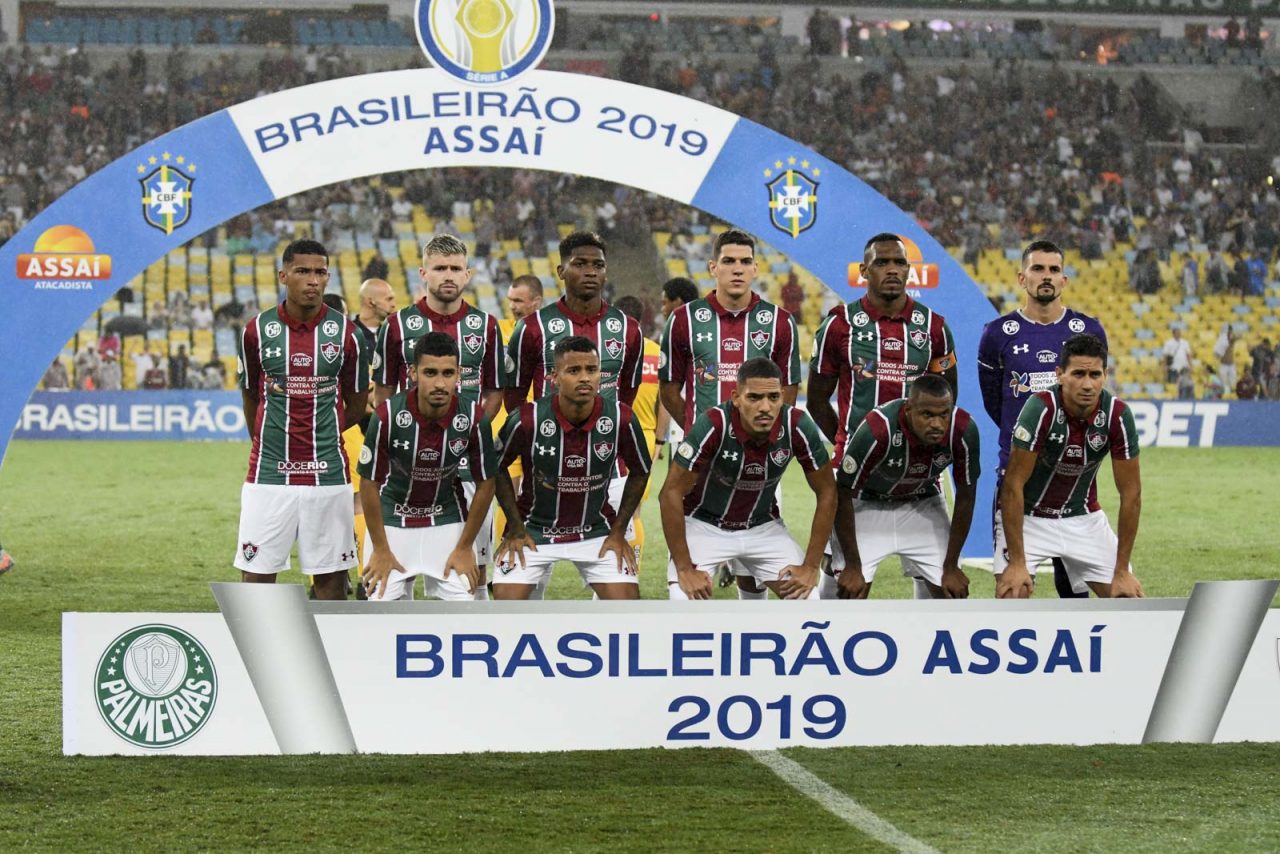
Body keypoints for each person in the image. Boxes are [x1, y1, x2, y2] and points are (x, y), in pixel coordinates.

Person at [659, 228, 801, 599]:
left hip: (759, 456)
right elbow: (669, 388)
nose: (737, 269)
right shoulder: (683, 320)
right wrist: (698, 433)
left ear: (755, 269)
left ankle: (753, 618)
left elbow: (788, 389)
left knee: (754, 568)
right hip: (701, 461)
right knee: (692, 554)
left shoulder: (779, 322)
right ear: (713, 267)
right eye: (728, 261)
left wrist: (765, 433)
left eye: (744, 262)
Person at [233, 239, 369, 599]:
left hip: (328, 473)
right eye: (303, 271)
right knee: (257, 576)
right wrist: (267, 440)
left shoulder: (347, 334)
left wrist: (322, 431)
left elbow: (357, 404)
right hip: (268, 473)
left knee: (331, 580)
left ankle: (332, 638)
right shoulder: (256, 330)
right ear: (283, 275)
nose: (313, 280)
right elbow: (250, 396)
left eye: (320, 272)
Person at [374, 235, 505, 598]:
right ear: (423, 273)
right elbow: (383, 392)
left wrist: (467, 436)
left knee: (472, 566)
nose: (448, 275)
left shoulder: (486, 326)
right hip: (406, 466)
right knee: (398, 569)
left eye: (455, 268)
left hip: (467, 466)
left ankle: (471, 625)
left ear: (468, 274)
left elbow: (495, 392)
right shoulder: (397, 325)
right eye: (440, 268)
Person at [977, 239, 1108, 599]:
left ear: (1064, 279)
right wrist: (1027, 436)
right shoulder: (997, 334)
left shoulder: (1089, 330)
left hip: (1073, 480)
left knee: (1076, 588)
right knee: (1013, 589)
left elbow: (1093, 395)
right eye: (1038, 268)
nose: (1046, 276)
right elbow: (995, 402)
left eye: (1054, 269)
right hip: (1019, 480)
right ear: (1022, 278)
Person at [660, 358, 835, 600]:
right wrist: (684, 568)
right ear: (736, 398)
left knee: (808, 599)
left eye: (773, 397)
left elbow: (827, 491)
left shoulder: (796, 425)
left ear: (783, 397)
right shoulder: (714, 423)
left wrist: (811, 566)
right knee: (682, 597)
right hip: (704, 525)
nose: (765, 407)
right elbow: (670, 492)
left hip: (762, 526)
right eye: (754, 397)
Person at [492, 336, 651, 600]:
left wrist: (618, 530)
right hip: (533, 530)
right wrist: (516, 527)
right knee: (505, 608)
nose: (585, 378)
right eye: (574, 370)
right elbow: (495, 467)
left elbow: (641, 471)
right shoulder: (527, 418)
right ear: (554, 377)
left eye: (592, 369)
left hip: (596, 530)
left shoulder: (621, 418)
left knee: (627, 608)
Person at [995, 334, 1144, 600]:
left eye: (1095, 375)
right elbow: (1013, 485)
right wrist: (1017, 563)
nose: (1087, 384)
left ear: (1105, 375)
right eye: (1078, 374)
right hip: (1029, 517)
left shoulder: (1118, 415)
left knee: (1127, 599)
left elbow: (1131, 494)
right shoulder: (1040, 408)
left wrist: (1121, 570)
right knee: (1013, 593)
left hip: (1083, 516)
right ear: (1060, 375)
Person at [358, 333, 499, 601]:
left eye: (448, 373)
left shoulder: (473, 417)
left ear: (458, 374)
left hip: (446, 517)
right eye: (430, 373)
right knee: (379, 606)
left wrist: (465, 546)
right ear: (413, 373)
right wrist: (380, 549)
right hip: (393, 519)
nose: (440, 383)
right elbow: (369, 483)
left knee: (464, 604)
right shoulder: (387, 415)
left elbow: (486, 483)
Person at [825, 374, 980, 600]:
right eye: (927, 415)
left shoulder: (964, 430)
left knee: (952, 591)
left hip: (922, 503)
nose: (937, 424)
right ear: (908, 410)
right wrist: (853, 565)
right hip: (867, 503)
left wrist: (951, 565)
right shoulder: (878, 429)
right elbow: (843, 492)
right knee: (852, 591)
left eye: (943, 415)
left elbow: (966, 496)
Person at [808, 232, 958, 463]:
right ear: (864, 270)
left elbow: (948, 396)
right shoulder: (839, 324)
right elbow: (816, 401)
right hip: (854, 464)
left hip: (916, 463)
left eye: (899, 263)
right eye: (881, 263)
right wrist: (849, 443)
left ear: (908, 269)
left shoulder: (934, 327)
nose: (892, 270)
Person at [615, 294, 669, 568]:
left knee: (603, 508)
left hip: (610, 434)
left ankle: (609, 569)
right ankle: (630, 568)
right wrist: (659, 440)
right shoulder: (656, 353)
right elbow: (665, 402)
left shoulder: (608, 350)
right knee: (634, 510)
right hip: (645, 436)